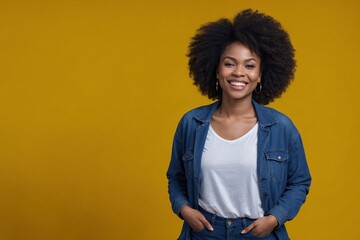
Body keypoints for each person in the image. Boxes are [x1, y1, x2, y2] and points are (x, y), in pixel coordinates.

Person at [166, 9, 311, 240]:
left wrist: (275, 218)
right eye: (230, 64)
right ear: (216, 70)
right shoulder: (191, 124)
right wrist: (184, 209)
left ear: (261, 74)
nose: (239, 73)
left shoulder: (281, 127)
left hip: (259, 233)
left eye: (250, 66)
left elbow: (300, 181)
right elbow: (176, 177)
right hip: (205, 233)